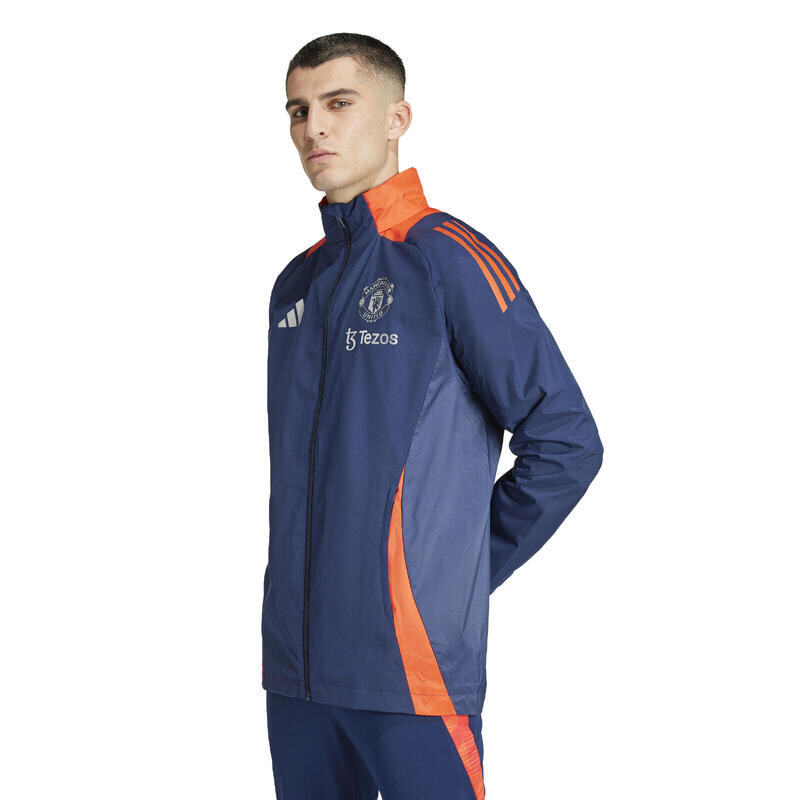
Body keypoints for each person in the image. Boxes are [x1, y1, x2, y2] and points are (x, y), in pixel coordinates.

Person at [261, 32, 603, 799]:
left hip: (410, 674)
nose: (314, 127)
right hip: (296, 673)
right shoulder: (296, 285)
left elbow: (566, 441)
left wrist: (451, 574)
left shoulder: (446, 258)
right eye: (298, 110)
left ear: (397, 118)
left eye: (338, 103)